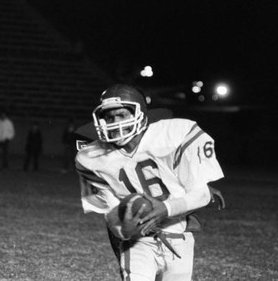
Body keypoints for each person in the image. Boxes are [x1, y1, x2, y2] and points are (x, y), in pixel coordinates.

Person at [75, 84, 224, 281]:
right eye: (109, 117)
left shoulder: (175, 134)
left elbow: (201, 195)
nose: (114, 122)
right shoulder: (91, 157)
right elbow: (110, 213)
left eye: (121, 115)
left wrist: (167, 206)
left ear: (139, 114)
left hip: (178, 233)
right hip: (137, 240)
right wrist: (124, 229)